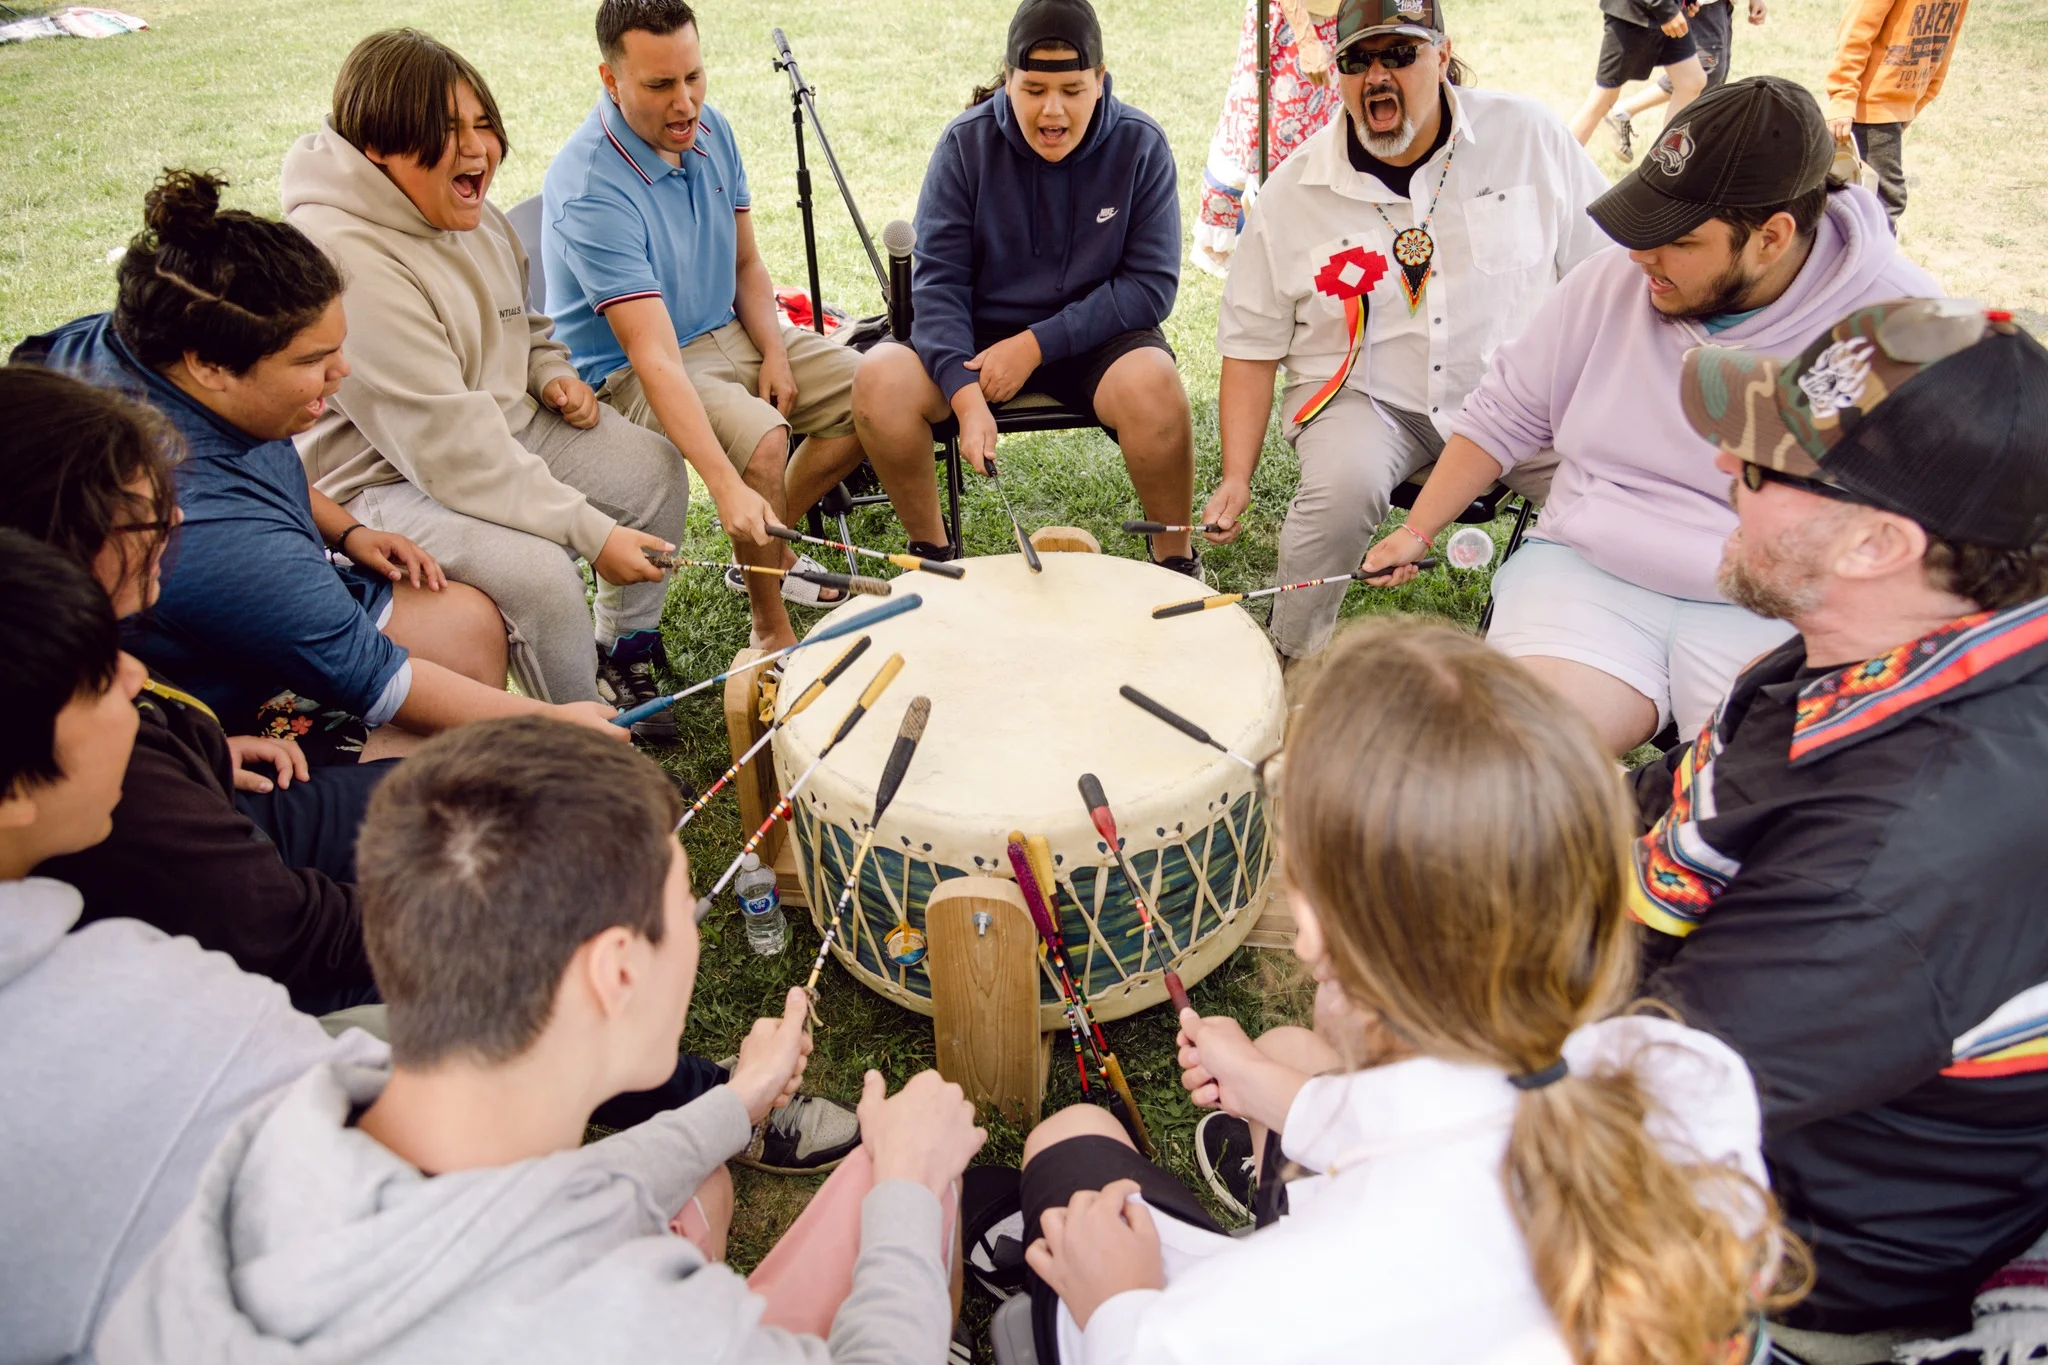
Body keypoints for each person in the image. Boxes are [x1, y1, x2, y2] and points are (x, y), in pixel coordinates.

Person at [1014, 617, 1803, 1364]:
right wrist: (1272, 1088)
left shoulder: (1254, 1314)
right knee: (1286, 1055)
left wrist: (1118, 1299)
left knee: (1071, 1141)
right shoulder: (1685, 1070)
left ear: (1317, 933)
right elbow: (1451, 1130)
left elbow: (1168, 1344)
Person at [99, 716, 988, 1364]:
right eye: (685, 911)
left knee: (702, 1179)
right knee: (903, 1178)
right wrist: (908, 1183)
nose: (695, 928)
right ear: (615, 971)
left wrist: (733, 1103)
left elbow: (530, 1212)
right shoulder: (619, 1324)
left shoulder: (307, 1110)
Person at [1636, 298, 2048, 1358]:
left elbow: (1641, 1093)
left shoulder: (1901, 855)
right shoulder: (1882, 654)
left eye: (1765, 467)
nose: (1728, 467)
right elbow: (1703, 806)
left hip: (1781, 1257)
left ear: (1876, 542)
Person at [1365, 77, 1939, 754]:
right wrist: (1419, 529)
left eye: (1680, 240)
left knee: (1760, 822)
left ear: (1772, 238)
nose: (1642, 255)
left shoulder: (1897, 328)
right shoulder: (1615, 279)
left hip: (1777, 607)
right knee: (1506, 767)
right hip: (1591, 571)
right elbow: (1504, 412)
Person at [11, 170, 627, 758]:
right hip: (210, 702)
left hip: (263, 595)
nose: (341, 374)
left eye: (338, 347)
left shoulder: (133, 341)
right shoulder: (205, 534)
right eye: (312, 360)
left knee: (469, 624)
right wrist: (551, 723)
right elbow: (376, 678)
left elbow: (253, 466)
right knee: (462, 762)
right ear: (208, 365)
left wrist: (346, 529)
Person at [0, 526, 389, 1365]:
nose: (139, 682)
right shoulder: (138, 984)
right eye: (102, 679)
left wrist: (201, 753)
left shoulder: (77, 918)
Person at [284, 29, 692, 742]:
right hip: (389, 477)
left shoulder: (460, 206)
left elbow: (522, 319)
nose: (478, 149)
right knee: (541, 576)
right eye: (447, 132)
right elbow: (454, 453)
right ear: (379, 145)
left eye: (483, 125)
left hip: (498, 428)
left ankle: (620, 656)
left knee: (651, 472)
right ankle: (586, 751)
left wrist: (550, 372)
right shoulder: (346, 254)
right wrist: (591, 535)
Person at [1207, 0, 1610, 664]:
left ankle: (1569, 657)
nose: (1378, 76)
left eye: (1400, 54)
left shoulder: (1529, 136)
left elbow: (1608, 272)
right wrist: (1235, 476)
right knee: (1338, 489)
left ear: (1443, 56)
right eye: (1357, 60)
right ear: (1334, 73)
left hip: (1519, 398)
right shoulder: (1293, 190)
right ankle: (1290, 664)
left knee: (1609, 490)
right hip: (1370, 398)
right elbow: (1251, 343)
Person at [0, 366, 393, 1014]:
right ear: (60, 541)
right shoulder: (115, 780)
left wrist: (201, 746)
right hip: (261, 952)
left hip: (222, 810)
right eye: (145, 517)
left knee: (489, 798)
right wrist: (460, 920)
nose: (174, 519)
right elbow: (279, 926)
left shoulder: (64, 666)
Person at [545, 0, 919, 653]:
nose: (686, 102)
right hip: (633, 368)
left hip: (729, 330)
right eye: (660, 85)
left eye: (694, 76)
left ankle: (767, 549)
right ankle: (770, 631)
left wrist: (775, 348)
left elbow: (747, 260)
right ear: (610, 80)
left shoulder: (710, 129)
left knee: (877, 395)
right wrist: (725, 487)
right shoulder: (588, 187)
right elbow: (655, 358)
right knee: (766, 440)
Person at [852, 0, 1201, 575]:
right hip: (977, 338)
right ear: (1008, 80)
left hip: (1095, 332)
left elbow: (1149, 287)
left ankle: (1175, 564)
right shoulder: (964, 145)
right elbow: (938, 287)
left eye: (1072, 88)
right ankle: (934, 557)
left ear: (1101, 81)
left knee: (1157, 387)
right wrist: (965, 401)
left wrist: (1035, 345)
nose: (1053, 110)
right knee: (878, 380)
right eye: (1034, 88)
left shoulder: (1142, 145)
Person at [1191, 0, 1343, 279]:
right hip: (1291, 24)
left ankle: (1287, 241)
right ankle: (1247, 241)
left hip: (1337, 21)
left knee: (1322, 135)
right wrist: (1306, 38)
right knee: (1264, 138)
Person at [1825, 0, 1970, 226]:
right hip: (1870, 104)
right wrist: (1843, 95)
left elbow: (1947, 39)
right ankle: (1867, 259)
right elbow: (1856, 31)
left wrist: (1921, 98)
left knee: (1870, 198)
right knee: (1883, 200)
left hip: (1897, 104)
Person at [1605, 0, 1767, 161]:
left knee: (1709, 72)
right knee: (1704, 69)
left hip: (1718, 4)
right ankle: (1665, 158)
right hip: (1698, 6)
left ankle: (1627, 112)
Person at [1568, 0, 1707, 146]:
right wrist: (1665, 9)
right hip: (1636, 11)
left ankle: (1661, 163)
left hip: (1667, 10)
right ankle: (1556, 163)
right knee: (1603, 98)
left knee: (1691, 81)